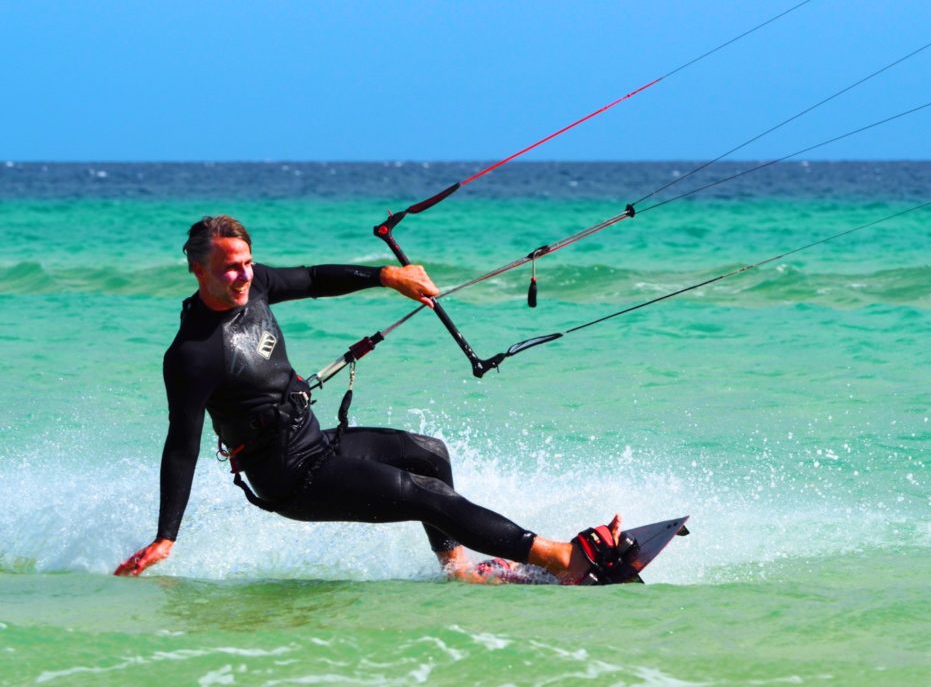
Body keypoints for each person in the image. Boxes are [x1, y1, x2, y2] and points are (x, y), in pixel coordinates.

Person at [115, 215, 626, 584]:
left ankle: (458, 571)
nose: (244, 275)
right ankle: (556, 558)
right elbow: (180, 446)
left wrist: (388, 276)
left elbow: (314, 279)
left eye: (247, 263)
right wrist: (167, 536)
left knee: (430, 455)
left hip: (315, 443)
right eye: (230, 268)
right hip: (288, 479)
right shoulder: (192, 354)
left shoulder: (257, 287)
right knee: (425, 495)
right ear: (198, 270)